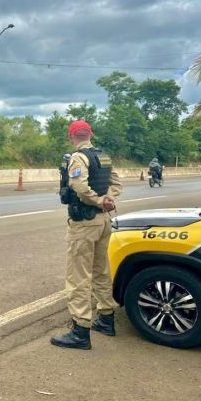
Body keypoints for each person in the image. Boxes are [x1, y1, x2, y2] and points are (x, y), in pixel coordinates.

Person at [52, 120, 123, 350]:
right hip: (104, 221)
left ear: (72, 136)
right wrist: (107, 199)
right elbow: (117, 183)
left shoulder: (78, 158)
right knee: (101, 270)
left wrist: (99, 200)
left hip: (85, 222)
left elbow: (79, 187)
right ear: (89, 134)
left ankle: (80, 331)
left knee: (78, 276)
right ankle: (105, 318)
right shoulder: (103, 157)